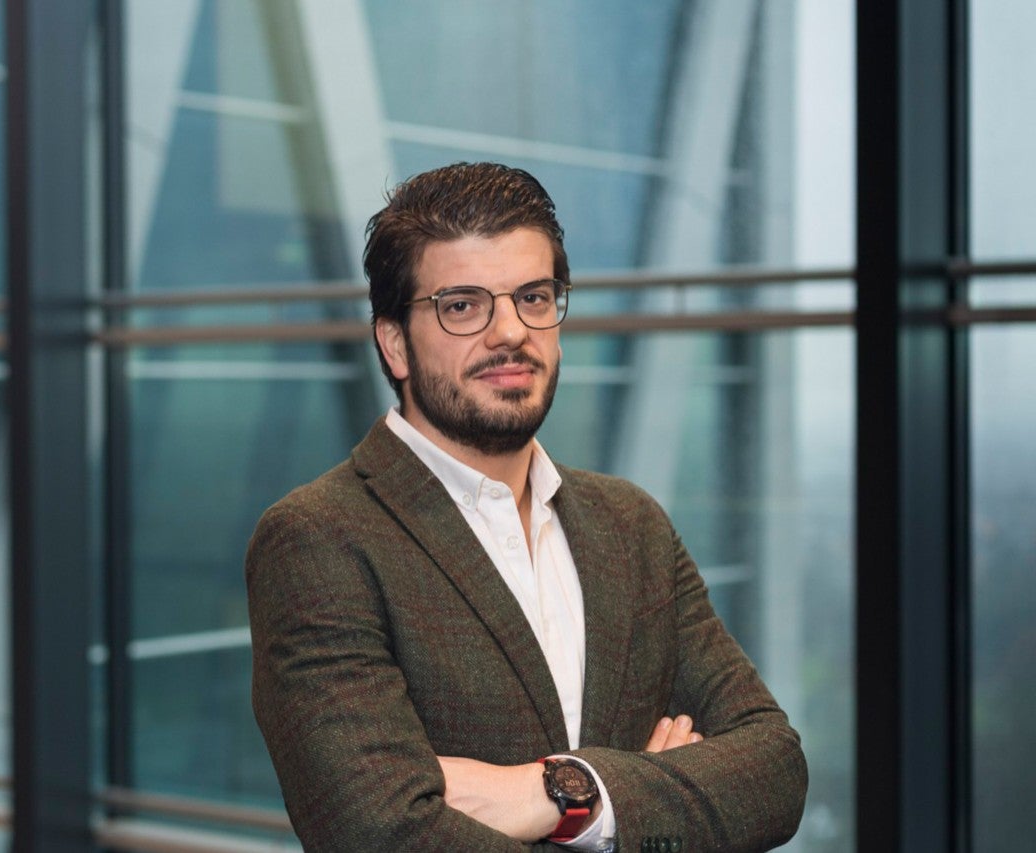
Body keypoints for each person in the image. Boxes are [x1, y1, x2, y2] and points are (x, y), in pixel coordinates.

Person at [246, 162, 807, 851]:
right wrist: (650, 799)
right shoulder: (318, 539)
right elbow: (380, 833)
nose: (510, 331)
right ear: (394, 344)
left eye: (534, 297)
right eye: (462, 305)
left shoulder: (631, 524)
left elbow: (775, 770)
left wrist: (567, 794)